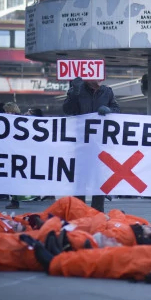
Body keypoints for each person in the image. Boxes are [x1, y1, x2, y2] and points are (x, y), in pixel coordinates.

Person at [63, 76, 120, 213]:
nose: (100, 79)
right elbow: (67, 110)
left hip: (100, 144)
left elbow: (117, 109)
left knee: (99, 180)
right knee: (80, 180)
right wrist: (74, 93)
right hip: (81, 143)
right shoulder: (77, 91)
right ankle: (79, 212)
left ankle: (97, 213)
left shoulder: (107, 92)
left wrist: (110, 110)